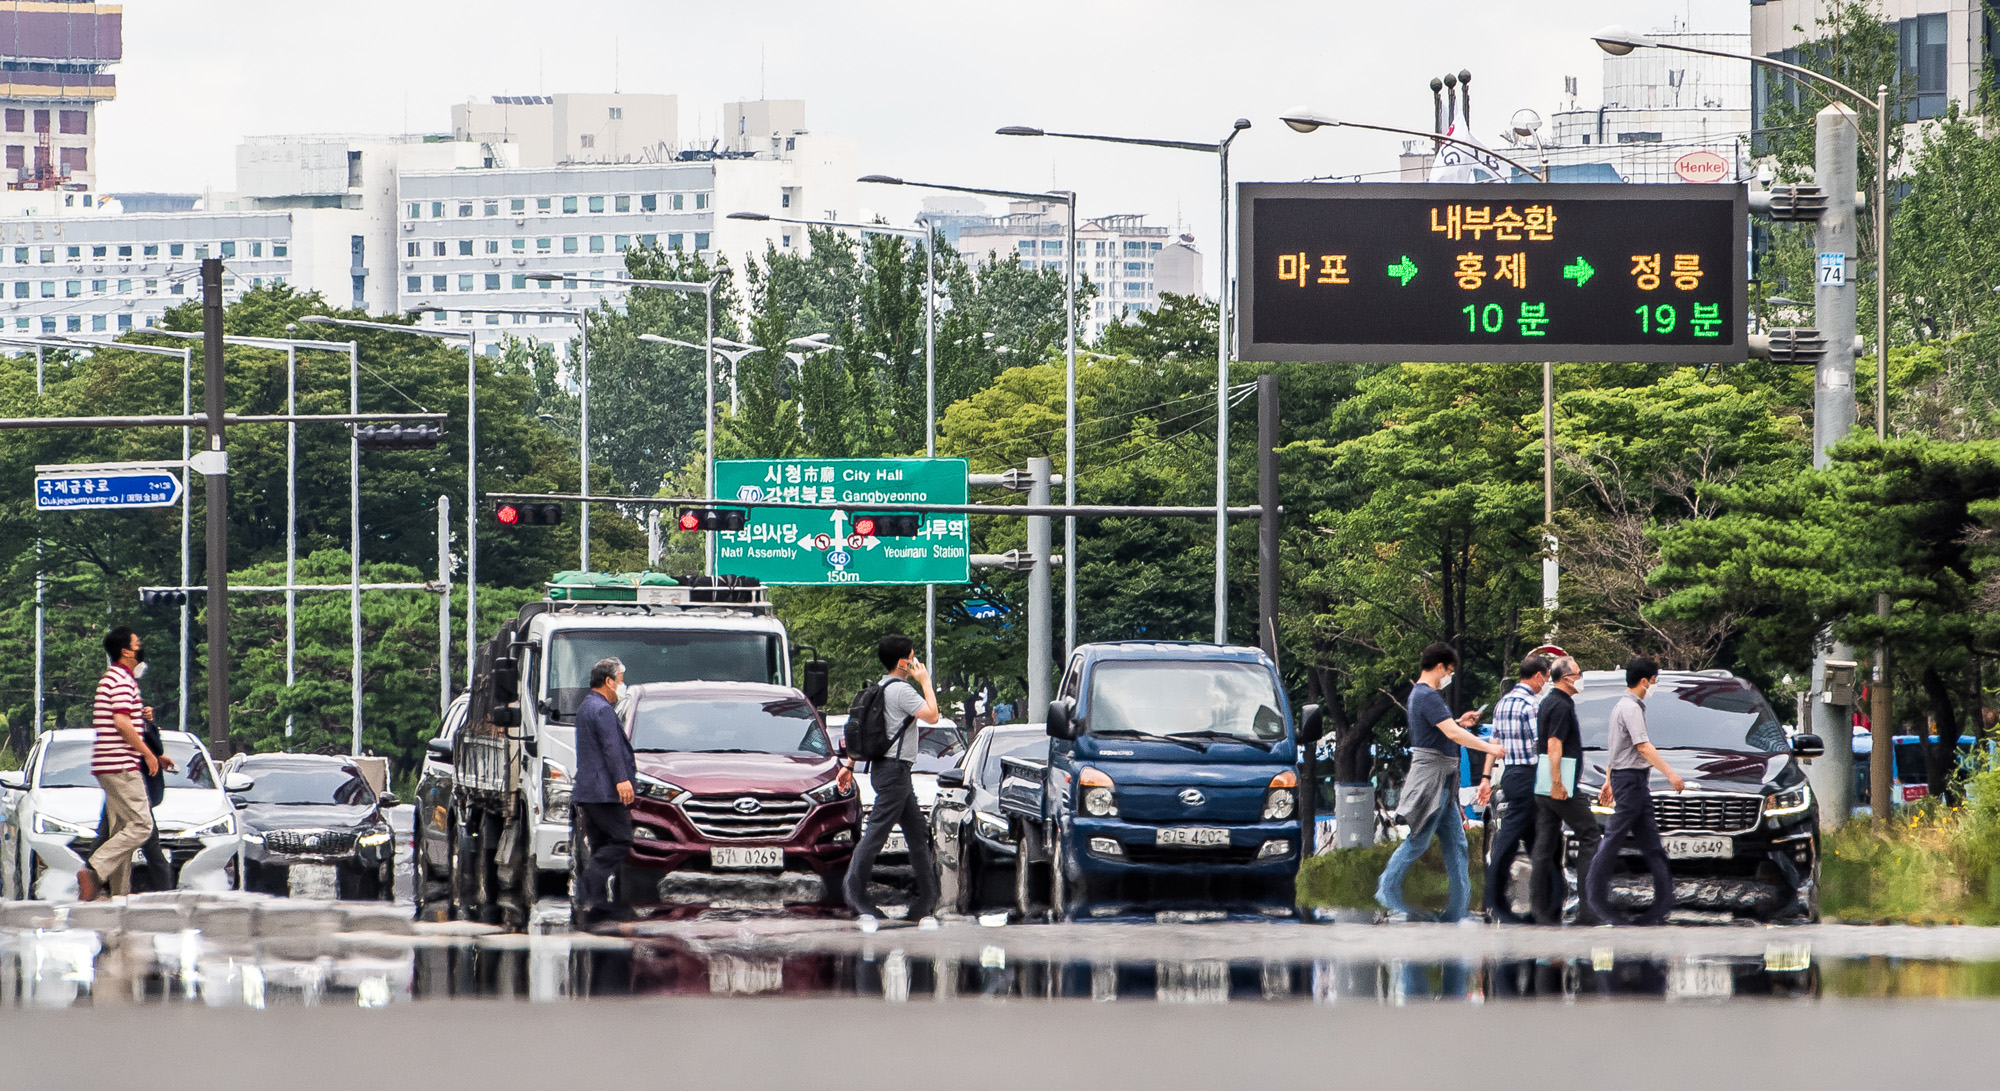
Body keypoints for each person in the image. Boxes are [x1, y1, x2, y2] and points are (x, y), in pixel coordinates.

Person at [1374, 642, 1504, 923]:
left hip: (1444, 781)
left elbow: (1443, 728)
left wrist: (1459, 721)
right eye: (1450, 670)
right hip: (1435, 780)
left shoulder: (1420, 695)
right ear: (1440, 666)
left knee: (1457, 845)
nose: (1450, 676)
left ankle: (1457, 910)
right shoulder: (1428, 695)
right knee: (1418, 840)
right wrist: (1489, 749)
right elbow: (1451, 734)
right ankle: (1386, 889)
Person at [842, 634, 941, 930]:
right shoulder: (901, 690)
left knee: (917, 833)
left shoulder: (880, 688)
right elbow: (933, 716)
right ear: (903, 662)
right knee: (875, 834)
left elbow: (870, 733)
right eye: (912, 657)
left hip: (889, 770)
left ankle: (927, 901)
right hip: (895, 772)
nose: (915, 661)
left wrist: (849, 764)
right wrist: (925, 680)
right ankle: (853, 894)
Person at [1583, 655, 1686, 926]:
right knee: (1614, 837)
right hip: (1631, 781)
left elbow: (1616, 748)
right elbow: (1642, 746)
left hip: (1629, 779)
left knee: (1651, 842)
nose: (1654, 685)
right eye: (1654, 680)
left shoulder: (1622, 706)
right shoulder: (1631, 709)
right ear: (1643, 681)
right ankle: (1593, 897)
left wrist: (1608, 780)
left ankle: (1663, 903)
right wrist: (1671, 774)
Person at [81, 627, 171, 900]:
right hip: (121, 765)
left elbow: (128, 722)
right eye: (137, 643)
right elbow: (121, 723)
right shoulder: (121, 680)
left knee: (122, 830)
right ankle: (93, 870)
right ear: (126, 651)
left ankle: (119, 897)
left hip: (108, 764)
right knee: (142, 826)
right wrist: (147, 753)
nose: (140, 646)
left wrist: (155, 752)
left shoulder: (115, 679)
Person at [1529, 655, 1603, 925]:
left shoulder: (1548, 701)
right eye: (1578, 674)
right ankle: (1590, 909)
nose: (1580, 679)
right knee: (1590, 834)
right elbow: (1554, 744)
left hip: (1544, 786)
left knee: (1545, 844)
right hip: (1559, 786)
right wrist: (1558, 782)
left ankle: (1541, 910)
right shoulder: (1560, 705)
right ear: (1566, 678)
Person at [1478, 655, 1550, 923]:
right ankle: (1494, 898)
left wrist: (1486, 776)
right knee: (1509, 838)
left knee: (1535, 839)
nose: (1545, 683)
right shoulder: (1531, 705)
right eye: (1546, 677)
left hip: (1510, 773)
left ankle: (1547, 897)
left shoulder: (1502, 703)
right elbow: (1540, 744)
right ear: (1539, 676)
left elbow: (1494, 742)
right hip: (1528, 775)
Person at [569, 657, 636, 923]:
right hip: (604, 792)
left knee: (599, 844)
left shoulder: (586, 706)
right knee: (621, 839)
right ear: (608, 681)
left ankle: (594, 902)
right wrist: (622, 780)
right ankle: (587, 888)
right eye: (620, 679)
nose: (622, 684)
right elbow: (611, 748)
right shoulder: (602, 710)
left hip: (588, 791)